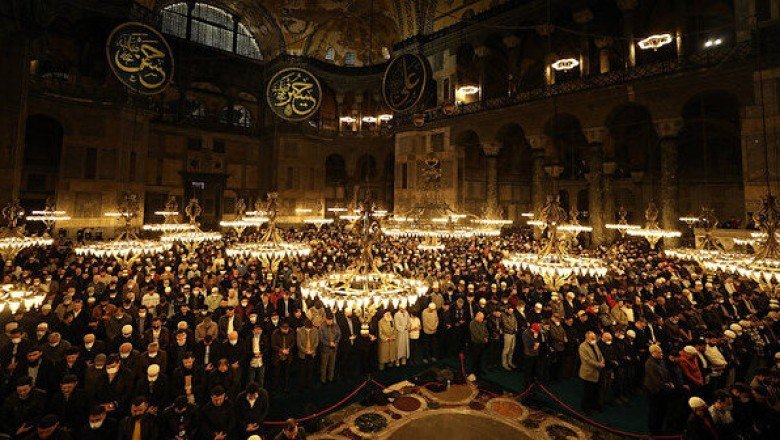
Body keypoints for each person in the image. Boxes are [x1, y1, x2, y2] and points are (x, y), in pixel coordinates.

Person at [643, 344, 675, 435]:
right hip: (654, 391)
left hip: (662, 389)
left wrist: (670, 382)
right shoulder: (649, 364)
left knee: (661, 410)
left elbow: (666, 373)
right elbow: (656, 381)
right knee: (655, 411)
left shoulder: (660, 360)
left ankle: (660, 427)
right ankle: (654, 430)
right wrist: (668, 385)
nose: (662, 353)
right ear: (653, 353)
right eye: (659, 352)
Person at [578, 331, 604, 414]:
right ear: (587, 338)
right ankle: (585, 408)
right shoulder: (582, 347)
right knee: (588, 392)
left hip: (597, 371)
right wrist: (599, 365)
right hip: (588, 373)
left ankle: (594, 405)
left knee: (595, 391)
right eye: (592, 338)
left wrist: (602, 361)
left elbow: (600, 354)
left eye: (594, 338)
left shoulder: (594, 344)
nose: (594, 339)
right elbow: (587, 360)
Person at [469, 311, 488, 376]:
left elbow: (486, 331)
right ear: (477, 317)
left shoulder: (482, 323)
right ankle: (473, 371)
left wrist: (486, 337)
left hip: (482, 343)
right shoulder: (472, 323)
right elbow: (475, 334)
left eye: (483, 318)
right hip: (476, 344)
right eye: (481, 318)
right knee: (475, 358)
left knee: (481, 358)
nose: (482, 320)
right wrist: (483, 339)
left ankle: (479, 370)